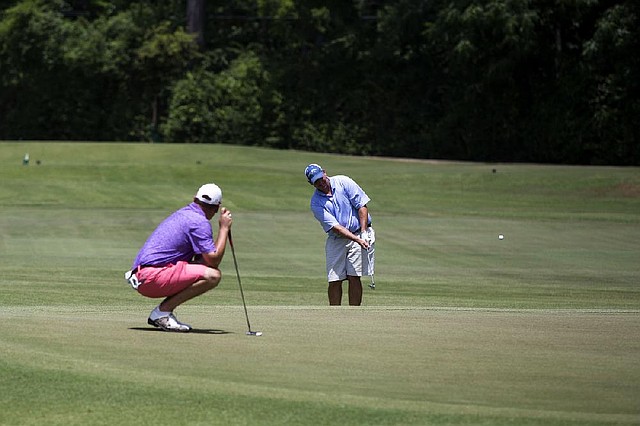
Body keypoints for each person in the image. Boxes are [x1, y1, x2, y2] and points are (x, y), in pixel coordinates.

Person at [124, 183, 233, 332]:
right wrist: (224, 228)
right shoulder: (199, 222)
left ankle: (162, 312)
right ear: (216, 207)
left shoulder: (185, 213)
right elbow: (213, 260)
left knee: (207, 269)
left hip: (145, 275)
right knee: (213, 275)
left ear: (195, 199)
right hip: (152, 277)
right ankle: (162, 313)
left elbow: (204, 261)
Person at [304, 163, 375, 306]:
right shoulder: (316, 203)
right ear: (311, 184)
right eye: (316, 182)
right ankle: (334, 314)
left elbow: (362, 205)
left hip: (359, 232)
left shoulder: (344, 181)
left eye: (321, 179)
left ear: (324, 172)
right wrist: (356, 239)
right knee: (334, 279)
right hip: (337, 238)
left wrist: (363, 233)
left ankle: (354, 313)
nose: (321, 183)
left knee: (354, 276)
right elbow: (336, 227)